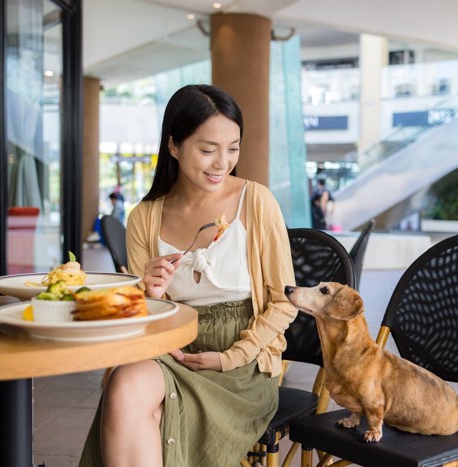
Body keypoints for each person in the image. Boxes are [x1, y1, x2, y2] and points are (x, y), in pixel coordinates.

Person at [80, 84, 297, 466]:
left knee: (146, 422)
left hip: (243, 365)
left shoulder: (256, 201)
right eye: (208, 149)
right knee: (124, 387)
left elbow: (283, 302)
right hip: (172, 353)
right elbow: (139, 319)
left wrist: (231, 357)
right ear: (174, 146)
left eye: (233, 148)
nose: (222, 163)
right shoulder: (144, 217)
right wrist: (151, 294)